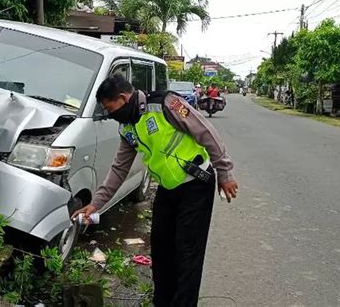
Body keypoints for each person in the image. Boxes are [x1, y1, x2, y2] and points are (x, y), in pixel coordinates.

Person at [73, 74, 238, 306]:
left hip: (196, 185)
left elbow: (206, 132)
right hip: (167, 190)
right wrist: (96, 204)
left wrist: (225, 172)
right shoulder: (128, 127)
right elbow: (119, 169)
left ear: (123, 98)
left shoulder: (166, 104)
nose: (110, 115)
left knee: (187, 254)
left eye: (110, 109)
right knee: (160, 251)